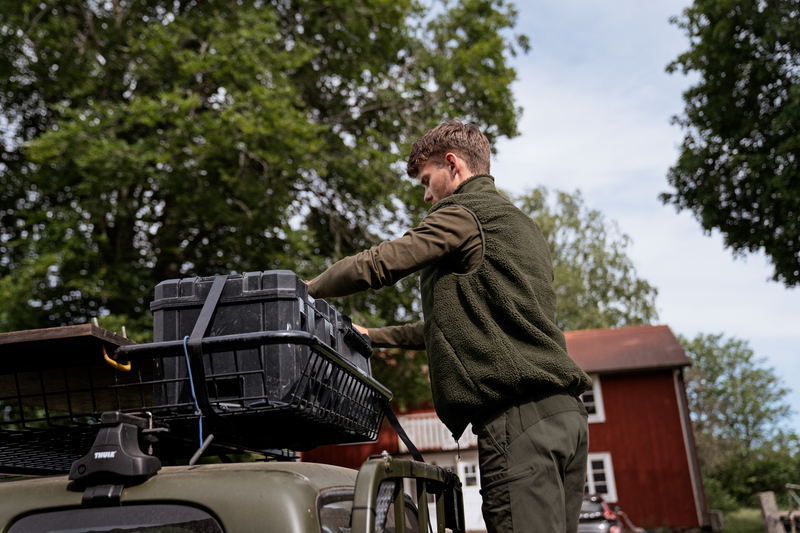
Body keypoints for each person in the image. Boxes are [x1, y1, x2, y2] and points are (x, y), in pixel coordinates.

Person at [307, 121, 592, 533]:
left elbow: (381, 262)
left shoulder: (464, 214)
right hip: (567, 420)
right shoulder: (523, 227)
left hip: (518, 421)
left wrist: (305, 290)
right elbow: (451, 327)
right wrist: (375, 337)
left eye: (427, 180)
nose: (426, 195)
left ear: (453, 166)